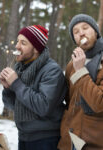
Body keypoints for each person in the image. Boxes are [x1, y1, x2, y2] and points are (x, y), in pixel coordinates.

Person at [0, 25, 67, 150]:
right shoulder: (21, 68)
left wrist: (16, 84)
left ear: (36, 48)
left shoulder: (51, 70)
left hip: (46, 139)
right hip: (24, 136)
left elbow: (43, 106)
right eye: (18, 41)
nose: (17, 46)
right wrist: (8, 88)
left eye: (23, 43)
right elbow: (13, 106)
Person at [58, 14, 103, 150]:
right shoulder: (72, 64)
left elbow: (100, 104)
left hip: (93, 142)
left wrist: (81, 71)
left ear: (95, 31)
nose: (81, 33)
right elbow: (69, 100)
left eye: (85, 28)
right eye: (75, 32)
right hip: (69, 138)